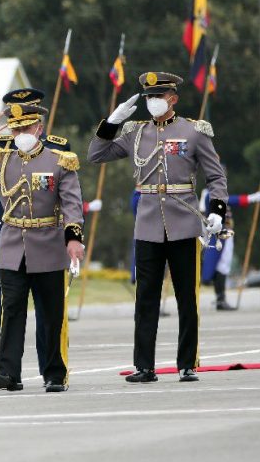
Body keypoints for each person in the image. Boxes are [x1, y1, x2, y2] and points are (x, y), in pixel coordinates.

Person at [88, 72, 228, 384]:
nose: (152, 102)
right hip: (148, 224)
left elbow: (217, 176)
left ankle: (187, 364)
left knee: (186, 298)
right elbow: (96, 155)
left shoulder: (193, 131)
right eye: (149, 96)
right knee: (145, 299)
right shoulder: (135, 133)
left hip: (183, 221)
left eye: (159, 96)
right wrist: (111, 122)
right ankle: (144, 366)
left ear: (173, 99)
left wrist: (217, 209)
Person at [0, 98, 84, 393]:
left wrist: (73, 237)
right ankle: (8, 372)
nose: (20, 135)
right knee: (11, 311)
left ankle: (54, 373)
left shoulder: (59, 160)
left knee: (50, 314)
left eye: (26, 127)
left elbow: (72, 203)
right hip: (13, 245)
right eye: (15, 130)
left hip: (49, 244)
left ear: (38, 128)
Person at [199, 180, 260, 311]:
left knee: (224, 266)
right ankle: (220, 299)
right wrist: (249, 198)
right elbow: (230, 200)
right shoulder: (210, 195)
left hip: (227, 234)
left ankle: (221, 299)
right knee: (221, 266)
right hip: (219, 235)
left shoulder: (219, 194)